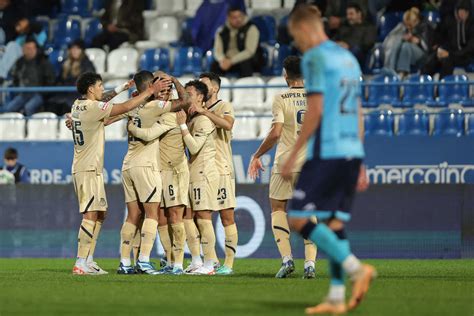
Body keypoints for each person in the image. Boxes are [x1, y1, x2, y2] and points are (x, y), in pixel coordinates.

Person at [282, 5, 376, 314]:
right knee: (333, 223)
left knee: (296, 217)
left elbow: (316, 110)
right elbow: (359, 110)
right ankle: (336, 298)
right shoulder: (348, 59)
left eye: (297, 37)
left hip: (329, 150)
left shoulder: (316, 58)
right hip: (350, 151)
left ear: (306, 28)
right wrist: (360, 158)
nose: (298, 44)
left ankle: (355, 269)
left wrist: (293, 154)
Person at [70, 72, 167, 275]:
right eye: (99, 85)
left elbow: (103, 101)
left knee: (100, 214)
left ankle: (88, 259)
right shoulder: (91, 107)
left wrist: (122, 88)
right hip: (86, 168)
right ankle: (80, 262)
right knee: (90, 214)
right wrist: (149, 91)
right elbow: (124, 107)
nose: (101, 89)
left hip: (91, 167)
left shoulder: (79, 105)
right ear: (90, 89)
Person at [248, 56, 317, 280]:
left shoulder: (281, 97)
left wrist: (257, 154)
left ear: (285, 74)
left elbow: (276, 132)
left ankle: (287, 260)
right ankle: (310, 264)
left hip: (285, 163)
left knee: (278, 209)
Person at [123, 72, 190, 275]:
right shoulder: (155, 108)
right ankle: (148, 261)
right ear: (153, 89)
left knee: (172, 216)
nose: (164, 93)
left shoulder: (169, 115)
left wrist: (132, 127)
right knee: (155, 217)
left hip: (172, 170)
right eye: (161, 89)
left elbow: (115, 115)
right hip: (150, 168)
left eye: (167, 90)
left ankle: (176, 263)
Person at [187, 72, 238, 275]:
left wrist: (205, 112)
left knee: (226, 217)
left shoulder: (223, 106)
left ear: (214, 89)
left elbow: (228, 124)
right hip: (203, 167)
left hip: (222, 167)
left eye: (204, 84)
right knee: (197, 214)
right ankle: (211, 260)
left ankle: (229, 264)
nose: (201, 87)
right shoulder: (195, 113)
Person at [177, 80, 219, 275]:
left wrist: (182, 127)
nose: (186, 97)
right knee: (187, 216)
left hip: (204, 173)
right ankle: (196, 260)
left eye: (190, 93)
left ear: (201, 97)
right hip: (192, 173)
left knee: (203, 217)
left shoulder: (203, 120)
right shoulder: (192, 118)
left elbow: (194, 147)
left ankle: (210, 263)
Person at [1, 38, 55, 115]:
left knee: (29, 107)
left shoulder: (43, 62)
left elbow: (50, 80)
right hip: (24, 93)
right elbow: (15, 77)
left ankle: (30, 126)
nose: (31, 51)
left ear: (36, 49)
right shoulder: (20, 62)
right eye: (28, 48)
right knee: (9, 108)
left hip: (39, 93)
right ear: (23, 49)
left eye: (33, 48)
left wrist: (43, 93)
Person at [422, 0, 474, 78]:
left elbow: (469, 48)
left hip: (466, 57)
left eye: (465, 11)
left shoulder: (472, 26)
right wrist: (440, 49)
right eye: (460, 11)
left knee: (447, 61)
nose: (462, 14)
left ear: (469, 12)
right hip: (451, 53)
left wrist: (450, 54)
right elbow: (444, 39)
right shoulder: (450, 23)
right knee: (433, 59)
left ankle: (442, 87)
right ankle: (423, 85)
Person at [211, 7, 262, 78]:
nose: (238, 19)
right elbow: (217, 51)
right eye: (234, 17)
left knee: (245, 64)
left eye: (240, 16)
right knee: (215, 66)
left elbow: (250, 51)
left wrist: (231, 61)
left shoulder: (251, 28)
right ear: (228, 18)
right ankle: (215, 88)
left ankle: (245, 87)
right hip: (227, 60)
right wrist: (222, 60)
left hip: (243, 59)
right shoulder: (221, 31)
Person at [48, 39, 95, 115]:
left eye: (77, 49)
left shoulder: (87, 64)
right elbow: (59, 80)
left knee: (66, 107)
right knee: (51, 104)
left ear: (82, 50)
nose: (74, 51)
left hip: (78, 94)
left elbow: (88, 82)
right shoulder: (65, 64)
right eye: (72, 49)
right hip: (64, 94)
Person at [383, 7, 432, 76]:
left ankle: (402, 73)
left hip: (423, 55)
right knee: (398, 42)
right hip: (409, 53)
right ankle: (390, 68)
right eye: (407, 25)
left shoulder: (425, 26)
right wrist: (403, 38)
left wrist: (418, 41)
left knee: (406, 46)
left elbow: (428, 47)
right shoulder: (405, 27)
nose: (408, 27)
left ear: (416, 21)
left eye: (410, 25)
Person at [333, 2, 376, 67]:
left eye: (351, 14)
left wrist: (349, 45)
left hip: (359, 57)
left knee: (356, 49)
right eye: (347, 14)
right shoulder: (344, 27)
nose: (348, 17)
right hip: (339, 53)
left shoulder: (368, 27)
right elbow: (333, 39)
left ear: (359, 14)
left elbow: (368, 44)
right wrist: (338, 43)